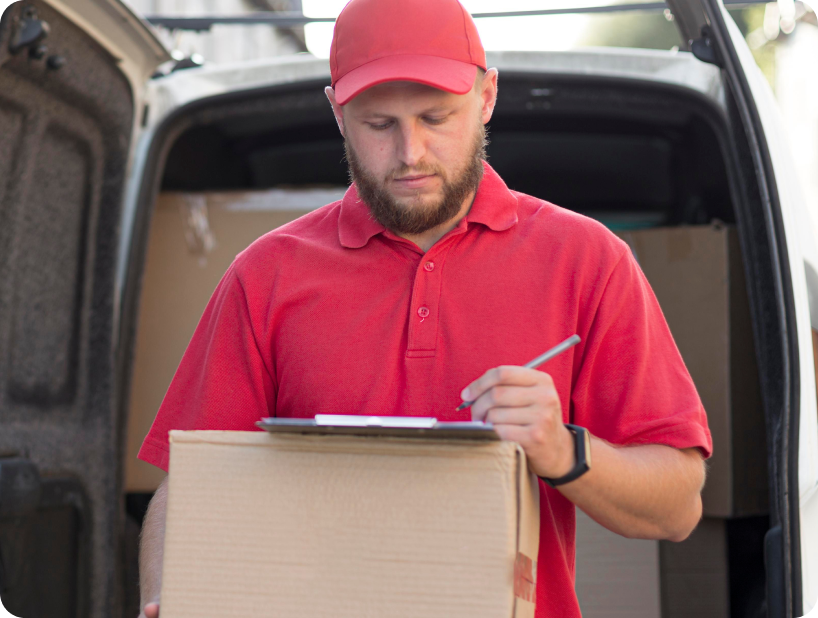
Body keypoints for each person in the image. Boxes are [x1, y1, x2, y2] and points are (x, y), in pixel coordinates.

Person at [136, 0, 713, 616]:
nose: (410, 153)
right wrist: (165, 594)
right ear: (337, 112)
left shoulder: (588, 260)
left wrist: (566, 451)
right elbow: (192, 485)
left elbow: (678, 507)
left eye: (437, 117)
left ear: (487, 96)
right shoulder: (267, 275)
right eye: (379, 125)